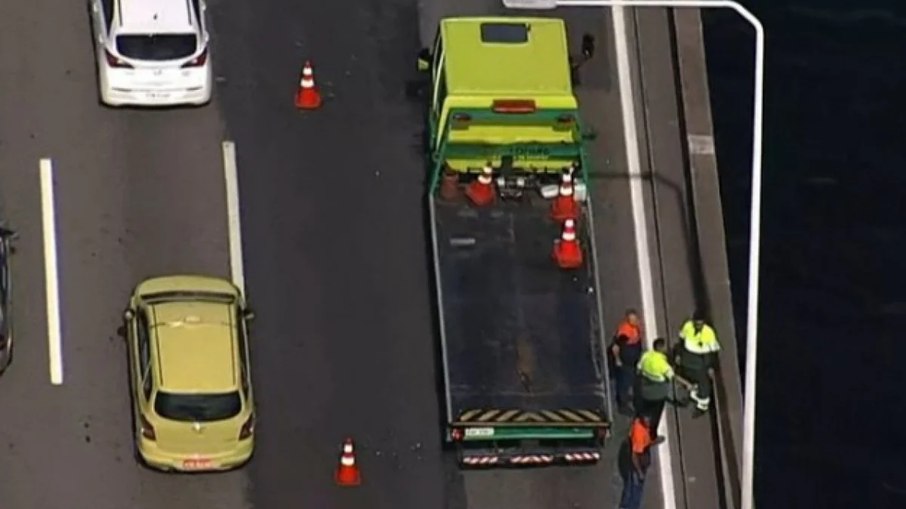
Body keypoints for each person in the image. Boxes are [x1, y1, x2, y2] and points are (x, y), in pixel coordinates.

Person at [636, 338, 696, 439]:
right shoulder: (663, 364)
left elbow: (638, 370)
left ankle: (642, 422)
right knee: (655, 415)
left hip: (645, 389)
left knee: (645, 409)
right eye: (664, 347)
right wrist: (688, 385)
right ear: (661, 348)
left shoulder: (646, 356)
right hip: (658, 394)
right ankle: (652, 436)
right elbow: (674, 377)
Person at [675, 310, 721, 417]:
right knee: (686, 375)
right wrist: (678, 354)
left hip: (701, 361)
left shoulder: (709, 333)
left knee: (703, 382)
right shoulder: (688, 326)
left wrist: (711, 366)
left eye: (701, 324)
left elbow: (713, 352)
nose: (698, 326)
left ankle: (702, 405)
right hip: (687, 358)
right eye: (696, 323)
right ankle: (693, 393)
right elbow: (681, 340)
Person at [619, 415, 660, 509]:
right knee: (636, 490)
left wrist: (654, 442)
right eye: (647, 419)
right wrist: (640, 472)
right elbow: (635, 456)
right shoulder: (639, 432)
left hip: (638, 462)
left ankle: (625, 506)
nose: (649, 421)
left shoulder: (642, 425)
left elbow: (644, 443)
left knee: (631, 487)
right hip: (637, 466)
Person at [611, 309, 643, 414]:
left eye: (635, 319)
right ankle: (622, 404)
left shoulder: (636, 326)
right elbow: (615, 347)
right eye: (631, 320)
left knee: (632, 379)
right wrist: (618, 360)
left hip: (634, 359)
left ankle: (626, 397)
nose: (635, 321)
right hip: (626, 362)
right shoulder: (624, 332)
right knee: (624, 382)